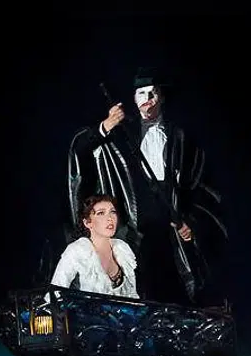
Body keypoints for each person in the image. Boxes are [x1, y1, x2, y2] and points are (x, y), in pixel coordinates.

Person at [67, 68, 226, 305]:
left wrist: (190, 222)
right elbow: (80, 150)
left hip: (170, 231)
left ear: (161, 97)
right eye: (141, 93)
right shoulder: (122, 134)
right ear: (133, 99)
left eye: (153, 93)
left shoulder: (180, 137)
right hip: (134, 229)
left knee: (176, 295)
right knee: (139, 292)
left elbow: (200, 187)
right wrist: (105, 127)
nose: (148, 99)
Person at [50, 193, 139, 298]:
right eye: (101, 213)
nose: (110, 218)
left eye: (112, 212)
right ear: (88, 223)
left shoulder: (121, 247)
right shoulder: (77, 250)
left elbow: (133, 294)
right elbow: (54, 294)